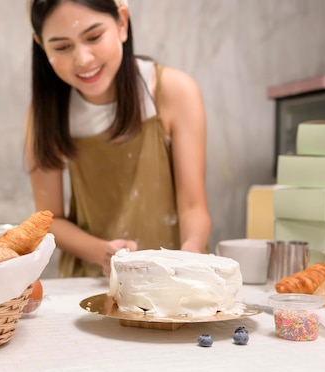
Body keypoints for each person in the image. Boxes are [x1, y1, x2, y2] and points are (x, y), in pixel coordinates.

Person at [25, 0, 211, 277]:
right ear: (41, 45)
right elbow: (50, 220)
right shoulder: (45, 114)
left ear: (122, 23)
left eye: (94, 37)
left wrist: (190, 253)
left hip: (174, 274)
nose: (83, 59)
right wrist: (103, 252)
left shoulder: (173, 90)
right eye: (62, 47)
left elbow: (193, 206)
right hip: (91, 282)